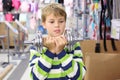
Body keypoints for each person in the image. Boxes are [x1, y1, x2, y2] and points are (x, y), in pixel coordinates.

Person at [29, 3, 86, 80]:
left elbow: (79, 76)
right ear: (44, 24)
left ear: (65, 23)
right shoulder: (37, 46)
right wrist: (50, 52)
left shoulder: (74, 45)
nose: (57, 25)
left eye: (61, 21)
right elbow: (35, 77)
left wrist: (61, 52)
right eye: (52, 22)